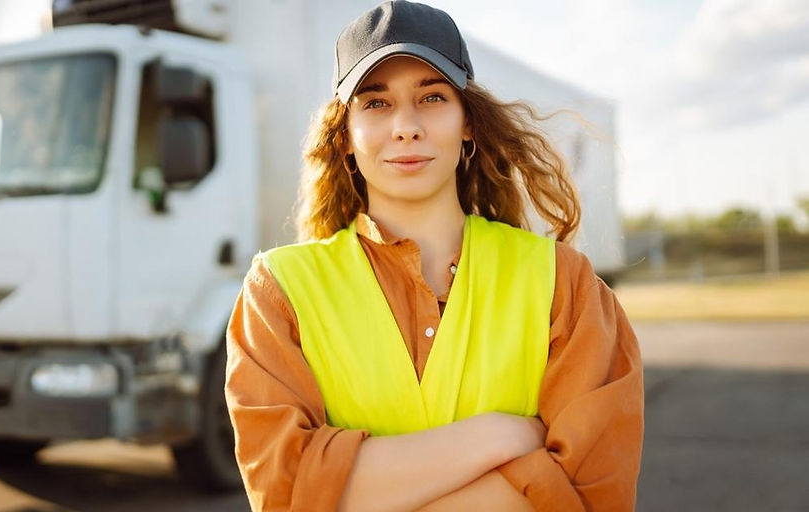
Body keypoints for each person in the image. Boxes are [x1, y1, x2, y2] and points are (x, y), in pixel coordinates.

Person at [224, 1, 644, 511]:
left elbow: (587, 494)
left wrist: (353, 485)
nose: (406, 126)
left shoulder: (561, 281)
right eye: (376, 103)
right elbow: (286, 494)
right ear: (345, 137)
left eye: (432, 96)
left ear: (468, 121)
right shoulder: (278, 293)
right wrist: (496, 437)